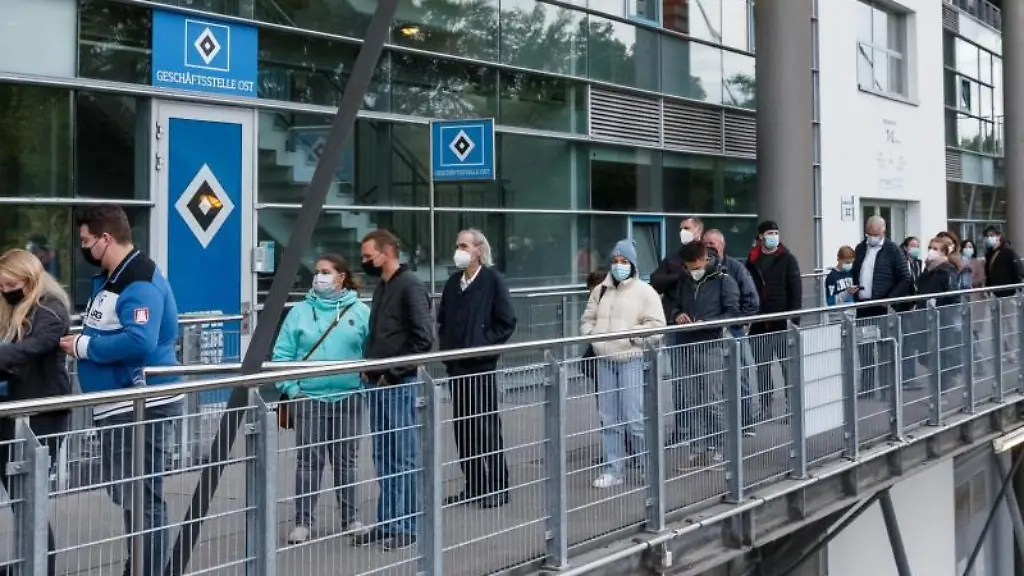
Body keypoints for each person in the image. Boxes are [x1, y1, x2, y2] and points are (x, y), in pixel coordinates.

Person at [59, 205, 182, 576]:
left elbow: (139, 340)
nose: (84, 248)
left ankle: (148, 569)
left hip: (141, 403)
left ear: (105, 239)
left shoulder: (138, 280)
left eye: (86, 241)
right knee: (132, 495)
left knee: (143, 498)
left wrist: (83, 347)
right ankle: (141, 566)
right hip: (121, 403)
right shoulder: (116, 277)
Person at [273, 254, 371, 544]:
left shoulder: (360, 311)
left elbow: (374, 350)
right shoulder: (300, 312)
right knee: (308, 463)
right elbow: (281, 356)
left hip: (349, 398)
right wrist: (294, 390)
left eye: (326, 272)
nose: (319, 277)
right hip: (310, 398)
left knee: (347, 462)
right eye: (317, 272)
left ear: (341, 277)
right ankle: (303, 523)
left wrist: (363, 382)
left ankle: (351, 519)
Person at [355, 229, 434, 550]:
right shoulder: (383, 286)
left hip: (398, 383)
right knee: (384, 455)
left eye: (368, 256)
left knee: (404, 456)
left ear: (386, 253)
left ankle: (407, 525)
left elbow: (424, 338)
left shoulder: (409, 285)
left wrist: (394, 372)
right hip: (377, 382)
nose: (365, 262)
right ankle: (388, 522)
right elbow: (379, 332)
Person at [0, 249, 72, 576]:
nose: (4, 291)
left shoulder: (51, 308)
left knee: (29, 499)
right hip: (11, 414)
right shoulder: (10, 308)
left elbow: (37, 345)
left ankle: (39, 568)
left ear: (28, 281)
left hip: (41, 414)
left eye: (9, 284)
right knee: (19, 499)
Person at [437, 229, 517, 509]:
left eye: (464, 245)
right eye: (457, 245)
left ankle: (497, 486)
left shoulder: (492, 281)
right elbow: (443, 319)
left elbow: (506, 321)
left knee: (485, 426)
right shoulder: (452, 283)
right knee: (464, 428)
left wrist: (483, 344)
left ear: (479, 250)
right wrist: (448, 351)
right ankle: (475, 484)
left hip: (480, 366)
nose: (458, 250)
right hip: (457, 368)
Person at [580, 240, 665, 489]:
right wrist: (593, 336)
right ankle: (614, 469)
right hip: (604, 359)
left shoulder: (644, 292)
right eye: (615, 261)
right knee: (609, 418)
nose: (619, 266)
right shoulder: (601, 291)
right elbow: (587, 318)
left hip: (630, 359)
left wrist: (633, 336)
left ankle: (648, 467)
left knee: (634, 416)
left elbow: (657, 325)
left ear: (632, 264)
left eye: (624, 261)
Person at [671, 242, 740, 466]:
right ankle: (697, 449)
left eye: (696, 265)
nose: (693, 270)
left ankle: (722, 448)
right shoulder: (683, 279)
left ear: (705, 258)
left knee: (712, 399)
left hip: (710, 344)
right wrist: (677, 314)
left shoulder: (723, 279)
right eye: (689, 267)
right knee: (692, 401)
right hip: (685, 344)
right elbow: (671, 302)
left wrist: (706, 323)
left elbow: (732, 313)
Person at [703, 229, 760, 435]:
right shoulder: (701, 269)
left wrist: (738, 322)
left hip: (733, 331)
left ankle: (745, 423)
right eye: (705, 243)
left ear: (722, 245)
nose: (709, 247)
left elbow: (751, 299)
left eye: (712, 243)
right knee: (713, 382)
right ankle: (716, 427)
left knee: (741, 375)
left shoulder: (735, 269)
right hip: (710, 333)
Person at [848, 216, 913, 394]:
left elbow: (904, 277)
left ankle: (886, 388)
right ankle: (867, 388)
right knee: (864, 347)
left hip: (882, 306)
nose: (872, 237)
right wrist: (854, 287)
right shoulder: (861, 248)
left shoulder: (893, 250)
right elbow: (856, 271)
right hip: (863, 305)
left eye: (875, 234)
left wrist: (889, 299)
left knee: (884, 347)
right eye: (869, 234)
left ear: (883, 232)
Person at [745, 220, 802, 418]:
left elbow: (795, 290)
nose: (773, 236)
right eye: (769, 232)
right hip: (759, 322)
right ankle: (765, 405)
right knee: (761, 366)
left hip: (781, 321)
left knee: (787, 365)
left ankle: (791, 407)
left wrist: (794, 319)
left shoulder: (787, 258)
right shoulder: (752, 260)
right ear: (760, 236)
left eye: (776, 232)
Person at [915, 237, 962, 390]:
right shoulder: (928, 269)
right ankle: (944, 382)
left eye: (935, 249)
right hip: (924, 316)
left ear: (943, 252)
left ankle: (942, 388)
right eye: (930, 247)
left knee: (939, 354)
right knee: (923, 355)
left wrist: (938, 301)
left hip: (941, 317)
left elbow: (954, 294)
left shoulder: (947, 270)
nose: (931, 251)